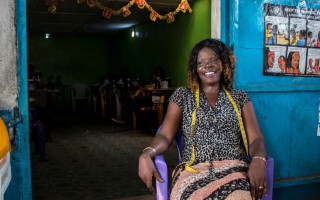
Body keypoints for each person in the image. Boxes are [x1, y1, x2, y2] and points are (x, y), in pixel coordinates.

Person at [138, 38, 268, 200]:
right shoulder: (182, 96)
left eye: (214, 60)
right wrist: (147, 153)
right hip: (193, 170)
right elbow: (165, 135)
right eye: (201, 63)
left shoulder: (240, 98)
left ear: (224, 64)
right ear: (195, 69)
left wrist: (258, 159)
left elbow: (256, 139)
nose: (208, 65)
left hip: (235, 169)